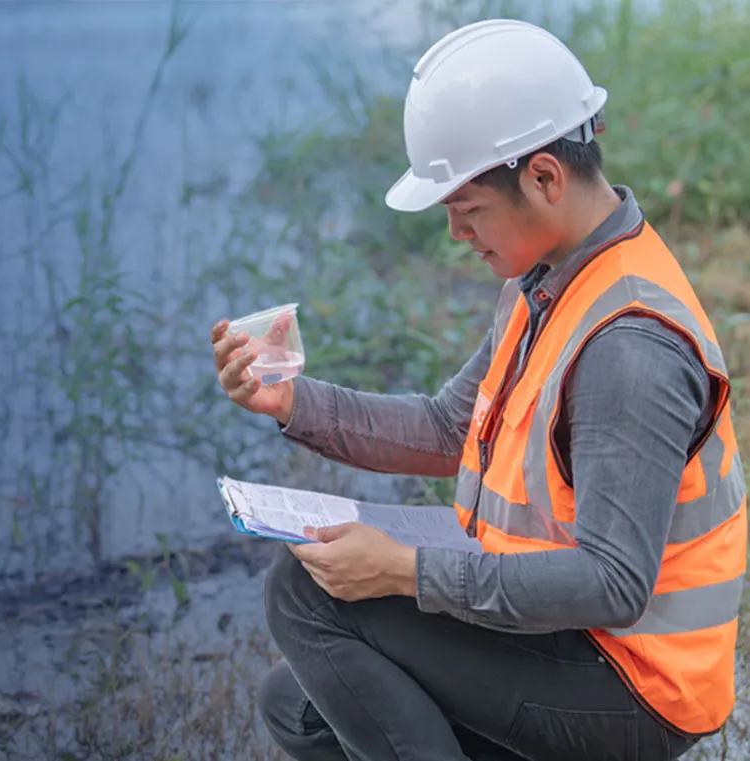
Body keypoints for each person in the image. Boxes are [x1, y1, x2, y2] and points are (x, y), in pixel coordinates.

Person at [209, 18, 746, 761]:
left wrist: (405, 570)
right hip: (567, 635)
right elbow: (444, 428)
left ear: (544, 178)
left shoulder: (628, 346)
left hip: (635, 685)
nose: (457, 236)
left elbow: (613, 582)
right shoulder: (549, 282)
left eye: (467, 213)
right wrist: (292, 403)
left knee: (306, 596)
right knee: (296, 705)